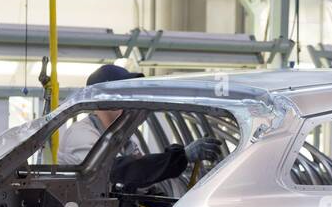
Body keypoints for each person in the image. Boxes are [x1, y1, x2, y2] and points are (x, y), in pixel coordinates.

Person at [59, 63, 222, 186]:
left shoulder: (125, 140)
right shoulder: (80, 134)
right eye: (124, 94)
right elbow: (115, 171)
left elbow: (142, 177)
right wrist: (181, 156)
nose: (131, 101)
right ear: (105, 99)